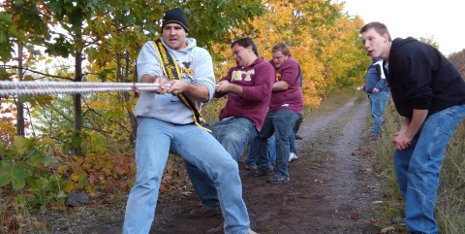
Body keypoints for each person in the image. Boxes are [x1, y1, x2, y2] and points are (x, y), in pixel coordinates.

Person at [122, 8, 255, 234]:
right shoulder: (151, 49)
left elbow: (206, 92)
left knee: (227, 167)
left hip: (188, 126)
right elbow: (145, 77)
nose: (172, 32)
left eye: (177, 28)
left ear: (186, 32)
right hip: (154, 123)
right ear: (163, 31)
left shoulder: (200, 55)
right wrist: (157, 80)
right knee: (148, 180)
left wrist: (185, 86)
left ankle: (238, 229)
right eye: (167, 28)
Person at [360, 21, 465, 234]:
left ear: (385, 36)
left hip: (447, 105)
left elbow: (422, 101)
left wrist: (408, 134)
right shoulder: (390, 64)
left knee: (423, 164)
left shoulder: (408, 54)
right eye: (363, 41)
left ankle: (423, 228)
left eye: (371, 38)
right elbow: (410, 105)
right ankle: (415, 212)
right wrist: (403, 130)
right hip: (428, 108)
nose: (367, 45)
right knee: (403, 158)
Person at [183, 37, 274, 218]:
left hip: (246, 122)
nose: (235, 56)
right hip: (224, 121)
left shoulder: (265, 68)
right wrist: (200, 86)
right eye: (233, 53)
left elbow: (261, 94)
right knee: (190, 151)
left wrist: (231, 87)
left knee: (225, 156)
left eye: (237, 52)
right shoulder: (233, 71)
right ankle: (211, 204)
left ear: (249, 48)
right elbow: (214, 93)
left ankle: (230, 216)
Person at [252, 42, 304, 184]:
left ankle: (282, 173)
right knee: (259, 135)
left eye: (278, 58)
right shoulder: (270, 65)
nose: (275, 60)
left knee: (281, 138)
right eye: (274, 57)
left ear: (287, 56)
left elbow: (284, 84)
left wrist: (263, 88)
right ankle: (264, 166)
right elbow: (260, 70)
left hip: (290, 107)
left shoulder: (292, 65)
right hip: (274, 108)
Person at [360, 57, 390, 137]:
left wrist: (378, 87)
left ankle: (376, 134)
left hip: (379, 93)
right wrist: (365, 87)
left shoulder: (380, 63)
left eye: (371, 54)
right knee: (376, 114)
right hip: (374, 94)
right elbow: (373, 80)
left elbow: (384, 77)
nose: (369, 56)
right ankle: (379, 134)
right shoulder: (373, 65)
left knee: (377, 114)